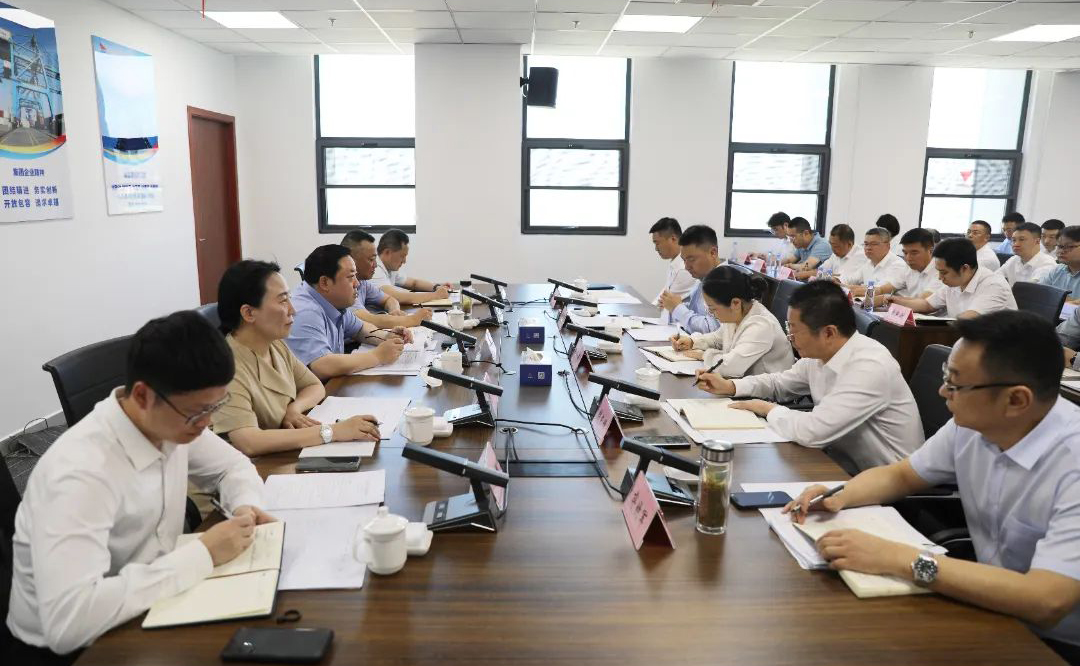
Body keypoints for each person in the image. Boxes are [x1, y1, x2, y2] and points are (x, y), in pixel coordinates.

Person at [784, 311, 1080, 666]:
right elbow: (901, 475)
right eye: (946, 377)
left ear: (1016, 400)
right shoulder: (972, 424)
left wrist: (900, 559)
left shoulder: (1072, 461)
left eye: (956, 385)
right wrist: (838, 496)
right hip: (990, 605)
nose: (942, 392)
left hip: (1054, 643)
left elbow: (1047, 599)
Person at [6, 312, 271, 661]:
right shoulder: (79, 473)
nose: (206, 424)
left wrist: (244, 505)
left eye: (215, 407)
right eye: (197, 413)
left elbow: (232, 466)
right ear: (144, 396)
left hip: (149, 599)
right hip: (76, 648)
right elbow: (68, 622)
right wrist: (203, 554)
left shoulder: (173, 420)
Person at [694, 280, 922, 474]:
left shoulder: (869, 366)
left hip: (887, 483)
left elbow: (813, 432)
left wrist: (767, 409)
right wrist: (731, 386)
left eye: (794, 330)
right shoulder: (820, 354)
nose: (790, 338)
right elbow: (779, 383)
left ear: (828, 332)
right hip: (838, 463)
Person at [211, 260, 382, 456]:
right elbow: (249, 442)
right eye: (283, 301)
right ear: (249, 313)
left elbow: (314, 386)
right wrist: (332, 432)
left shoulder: (274, 344)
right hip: (251, 466)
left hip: (279, 455)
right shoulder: (225, 368)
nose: (293, 310)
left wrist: (294, 409)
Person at [286, 244, 409, 381]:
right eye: (350, 277)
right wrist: (377, 356)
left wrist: (387, 336)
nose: (357, 283)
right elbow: (322, 365)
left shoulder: (332, 301)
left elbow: (360, 329)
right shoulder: (305, 312)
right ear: (325, 282)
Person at [668, 266, 795, 378]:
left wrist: (704, 355)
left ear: (735, 303)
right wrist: (692, 342)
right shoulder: (737, 313)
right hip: (744, 386)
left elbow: (730, 368)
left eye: (713, 309)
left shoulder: (761, 325)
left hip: (767, 394)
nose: (712, 314)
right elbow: (717, 339)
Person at [887, 238, 1016, 319]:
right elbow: (927, 304)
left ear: (964, 268)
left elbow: (969, 318)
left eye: (943, 272)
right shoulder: (955, 282)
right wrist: (895, 301)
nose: (940, 278)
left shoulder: (994, 285)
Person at [341, 230, 433, 329]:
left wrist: (394, 311)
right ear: (350, 260)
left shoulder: (363, 283)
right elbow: (370, 320)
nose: (375, 265)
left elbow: (389, 299)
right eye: (371, 260)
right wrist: (414, 319)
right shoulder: (343, 287)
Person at [658, 225, 722, 334]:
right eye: (684, 260)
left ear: (713, 252)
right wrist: (672, 305)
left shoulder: (724, 282)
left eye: (691, 259)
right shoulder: (702, 279)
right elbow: (695, 312)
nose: (686, 267)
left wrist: (677, 308)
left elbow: (713, 330)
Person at [371, 229, 454, 306]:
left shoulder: (390, 268)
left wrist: (437, 287)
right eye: (402, 256)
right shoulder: (374, 269)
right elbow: (396, 296)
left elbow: (414, 283)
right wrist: (436, 295)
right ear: (387, 252)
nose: (404, 261)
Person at [870, 228, 943, 306]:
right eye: (905, 253)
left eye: (914, 253)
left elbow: (923, 301)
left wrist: (886, 299)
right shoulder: (908, 268)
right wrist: (868, 298)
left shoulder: (941, 270)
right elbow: (882, 289)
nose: (908, 258)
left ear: (930, 251)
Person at [840, 228, 907, 297]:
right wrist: (837, 281)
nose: (868, 248)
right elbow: (850, 280)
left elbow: (878, 290)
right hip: (870, 303)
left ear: (887, 246)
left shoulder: (898, 265)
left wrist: (850, 288)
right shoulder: (869, 263)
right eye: (866, 244)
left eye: (874, 244)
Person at [649, 217, 696, 308]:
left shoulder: (684, 269)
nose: (656, 248)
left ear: (673, 239)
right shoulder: (675, 263)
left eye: (657, 243)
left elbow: (665, 304)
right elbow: (664, 295)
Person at [1040, 225, 1080, 305]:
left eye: (1069, 246)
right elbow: (1039, 294)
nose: (1062, 251)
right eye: (1060, 246)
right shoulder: (1056, 271)